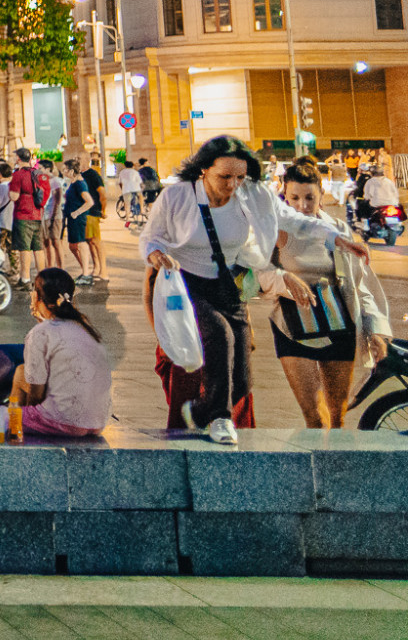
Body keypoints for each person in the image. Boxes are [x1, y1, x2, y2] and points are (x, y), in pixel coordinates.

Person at [141, 135, 367, 445]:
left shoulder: (253, 194)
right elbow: (151, 236)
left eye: (240, 176)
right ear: (204, 169)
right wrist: (154, 252)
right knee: (220, 336)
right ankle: (220, 419)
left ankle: (202, 410)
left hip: (226, 283)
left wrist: (334, 236)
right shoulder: (177, 196)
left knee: (243, 374)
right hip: (187, 282)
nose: (233, 184)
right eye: (225, 176)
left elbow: (293, 219)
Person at [270, 161, 391, 428]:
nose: (302, 205)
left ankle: (336, 467)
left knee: (337, 417)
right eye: (295, 198)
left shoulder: (338, 229)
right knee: (313, 416)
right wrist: (284, 280)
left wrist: (376, 331)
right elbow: (258, 274)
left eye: (309, 197)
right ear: (285, 196)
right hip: (291, 327)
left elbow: (362, 286)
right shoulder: (277, 230)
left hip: (339, 325)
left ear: (321, 195)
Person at [7, 269, 112, 436]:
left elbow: (36, 396)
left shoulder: (40, 333)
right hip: (97, 423)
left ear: (37, 296)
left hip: (62, 422)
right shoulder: (86, 329)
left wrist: (27, 417)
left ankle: (16, 430)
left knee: (20, 375)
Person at [7, 148, 50, 278]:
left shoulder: (17, 175)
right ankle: (41, 277)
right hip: (37, 214)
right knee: (38, 248)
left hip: (23, 215)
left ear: (18, 159)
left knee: (24, 248)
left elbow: (14, 196)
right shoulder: (39, 174)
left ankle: (25, 278)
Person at [62, 162, 101, 286]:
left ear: (72, 171)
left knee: (81, 244)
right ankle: (85, 272)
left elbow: (89, 201)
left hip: (78, 219)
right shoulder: (73, 183)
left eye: (65, 169)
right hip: (72, 219)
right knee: (73, 246)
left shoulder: (80, 184)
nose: (63, 171)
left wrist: (77, 212)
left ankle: (86, 274)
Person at [116, 158, 146, 228]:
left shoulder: (122, 172)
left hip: (126, 190)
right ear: (132, 166)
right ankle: (142, 209)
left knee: (127, 205)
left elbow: (120, 183)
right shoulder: (135, 172)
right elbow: (140, 182)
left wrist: (122, 189)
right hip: (135, 189)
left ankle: (127, 220)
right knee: (141, 197)